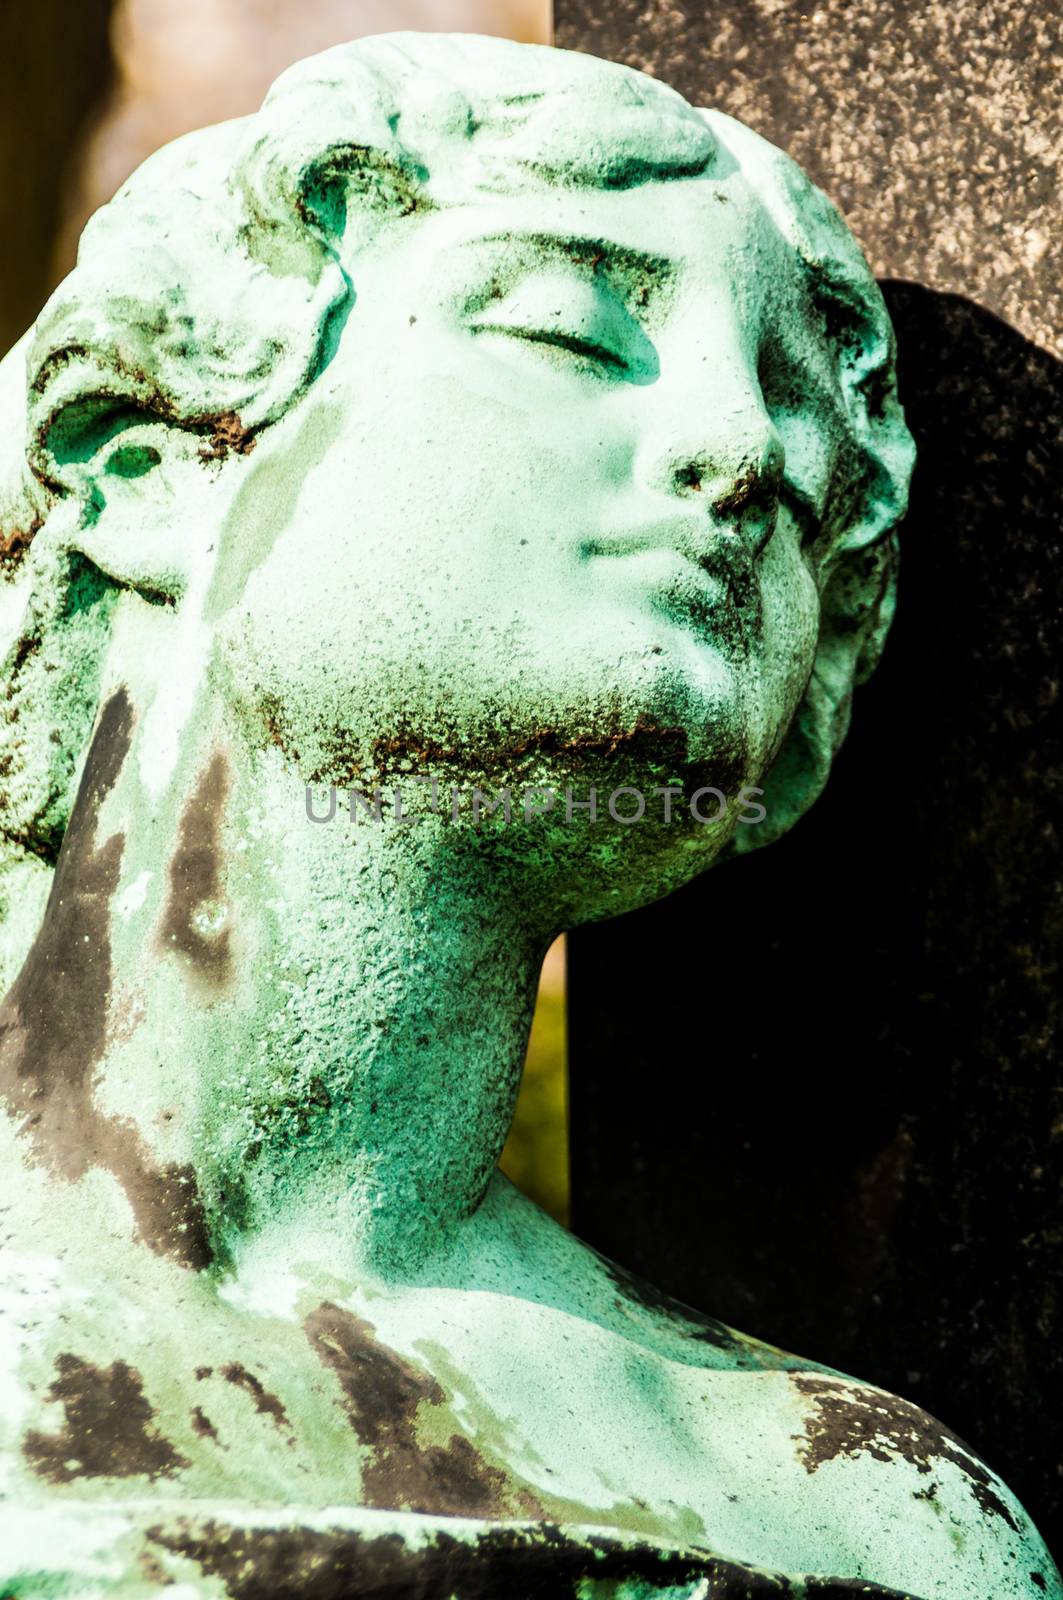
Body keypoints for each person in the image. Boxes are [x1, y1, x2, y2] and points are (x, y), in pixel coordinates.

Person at [0, 30, 1054, 1599]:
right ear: (144, 468)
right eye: (568, 328)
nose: (745, 453)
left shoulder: (870, 1514)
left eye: (800, 431)